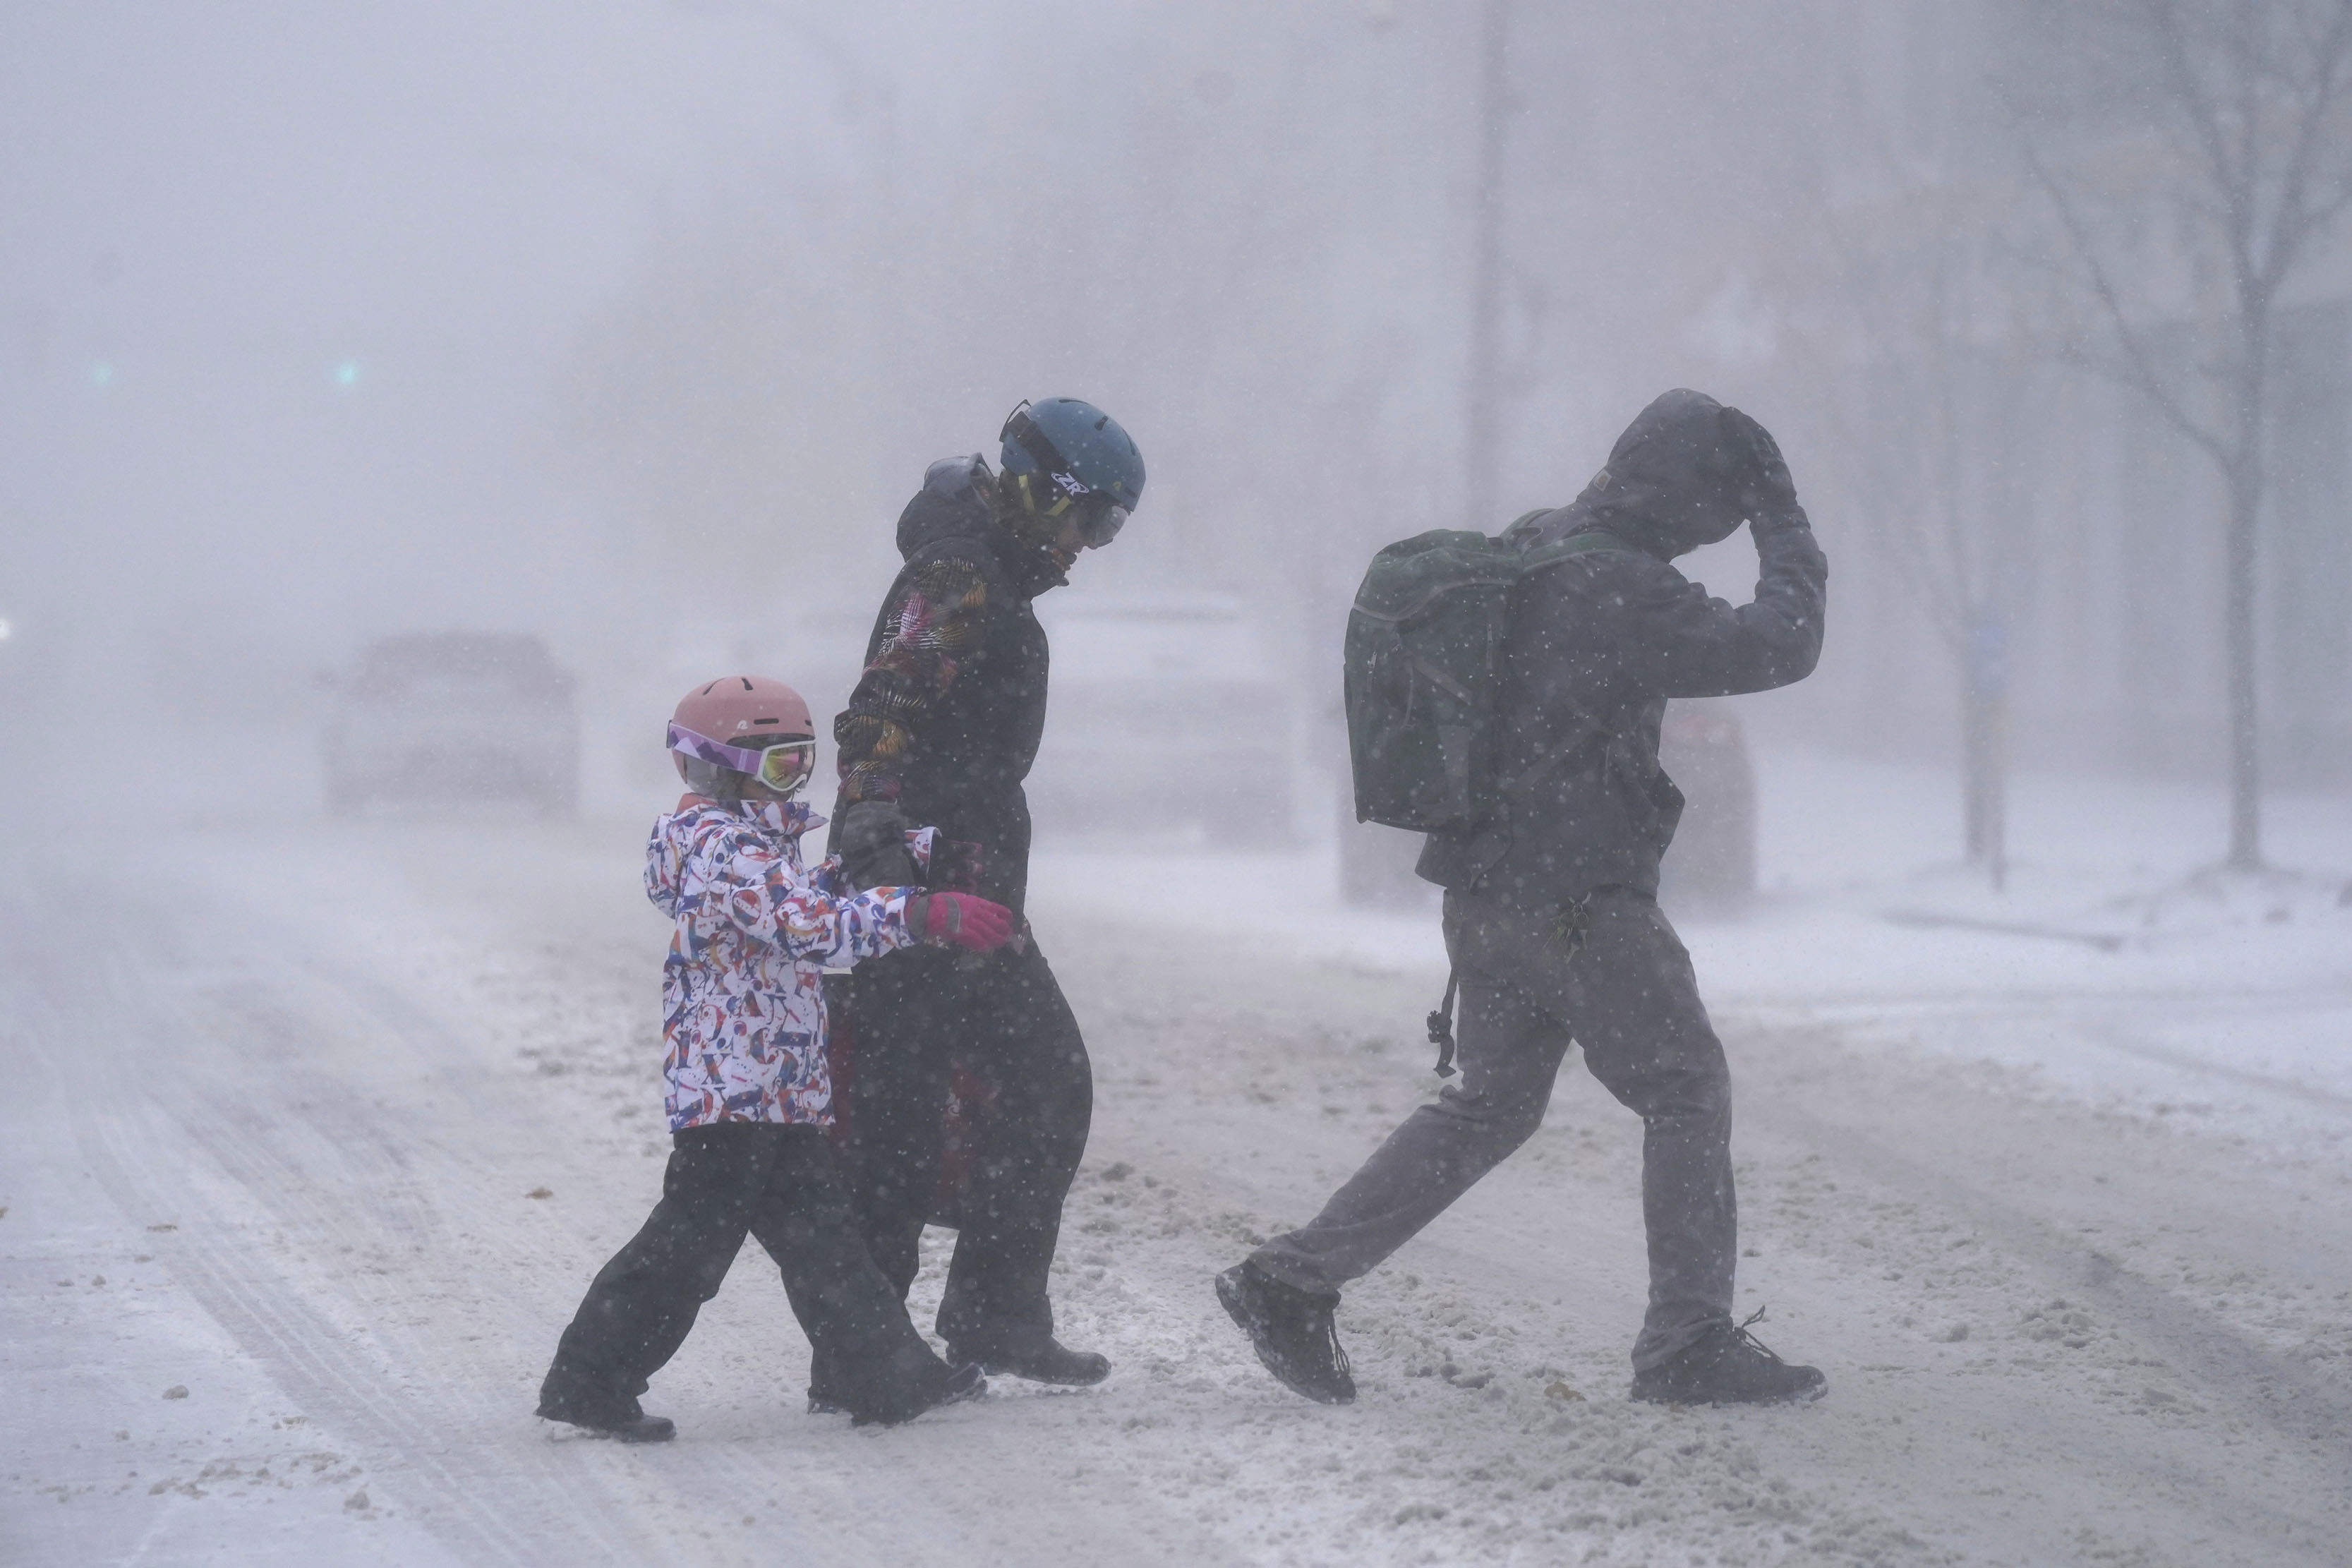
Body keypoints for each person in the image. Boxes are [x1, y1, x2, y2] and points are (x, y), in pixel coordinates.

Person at [1218, 390, 1831, 1407]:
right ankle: (1686, 1342)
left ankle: (1290, 1277)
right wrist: (1784, 518)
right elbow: (1783, 642)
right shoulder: (1620, 586)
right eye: (1715, 515)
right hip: (1580, 898)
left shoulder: (1535, 546)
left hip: (1485, 894)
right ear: (1693, 501)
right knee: (1685, 1088)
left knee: (1487, 1107)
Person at [536, 675, 1016, 1438]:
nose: (794, 779)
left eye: (803, 763)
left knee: (822, 1238)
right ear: (723, 768)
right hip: (732, 1088)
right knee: (687, 1246)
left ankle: (887, 1376)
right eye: (781, 765)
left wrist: (896, 858)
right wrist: (917, 912)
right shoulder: (718, 844)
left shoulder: (751, 844)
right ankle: (591, 1377)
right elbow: (804, 925)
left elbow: (800, 895)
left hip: (777, 1083)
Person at [823, 397, 1144, 1394]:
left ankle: (994, 1313)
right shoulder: (960, 573)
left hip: (974, 884)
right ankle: (862, 1355)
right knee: (897, 1118)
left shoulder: (992, 570)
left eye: (1110, 529)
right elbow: (882, 705)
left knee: (1043, 1082)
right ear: (1037, 488)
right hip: (915, 880)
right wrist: (878, 829)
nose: (1090, 545)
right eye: (1089, 519)